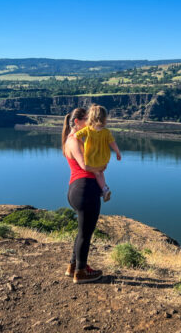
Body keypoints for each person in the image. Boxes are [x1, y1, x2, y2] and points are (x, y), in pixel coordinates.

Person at [62, 107, 105, 283]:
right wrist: (100, 168)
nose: (90, 123)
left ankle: (74, 266)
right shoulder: (74, 141)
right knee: (85, 234)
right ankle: (81, 273)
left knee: (82, 232)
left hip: (79, 188)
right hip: (85, 189)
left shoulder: (72, 140)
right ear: (77, 122)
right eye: (86, 120)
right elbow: (85, 165)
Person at [74, 105, 122, 202]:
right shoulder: (106, 132)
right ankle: (104, 188)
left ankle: (104, 189)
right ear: (104, 118)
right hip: (103, 159)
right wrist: (118, 152)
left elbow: (76, 135)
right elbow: (113, 143)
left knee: (96, 172)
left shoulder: (88, 130)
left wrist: (81, 143)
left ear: (91, 117)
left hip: (91, 159)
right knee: (100, 172)